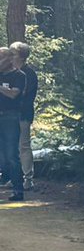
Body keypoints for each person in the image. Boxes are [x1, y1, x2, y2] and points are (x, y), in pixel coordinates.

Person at [0, 48, 27, 202]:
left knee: (11, 154)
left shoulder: (19, 75)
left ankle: (18, 190)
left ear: (9, 59)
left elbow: (13, 94)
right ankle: (5, 178)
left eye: (1, 58)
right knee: (2, 156)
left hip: (10, 117)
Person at [10, 42, 36, 190]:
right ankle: (15, 177)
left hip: (23, 114)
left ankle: (28, 178)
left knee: (23, 145)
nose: (10, 57)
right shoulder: (9, 72)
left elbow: (23, 94)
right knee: (10, 147)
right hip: (8, 115)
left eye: (13, 54)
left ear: (21, 56)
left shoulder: (29, 74)